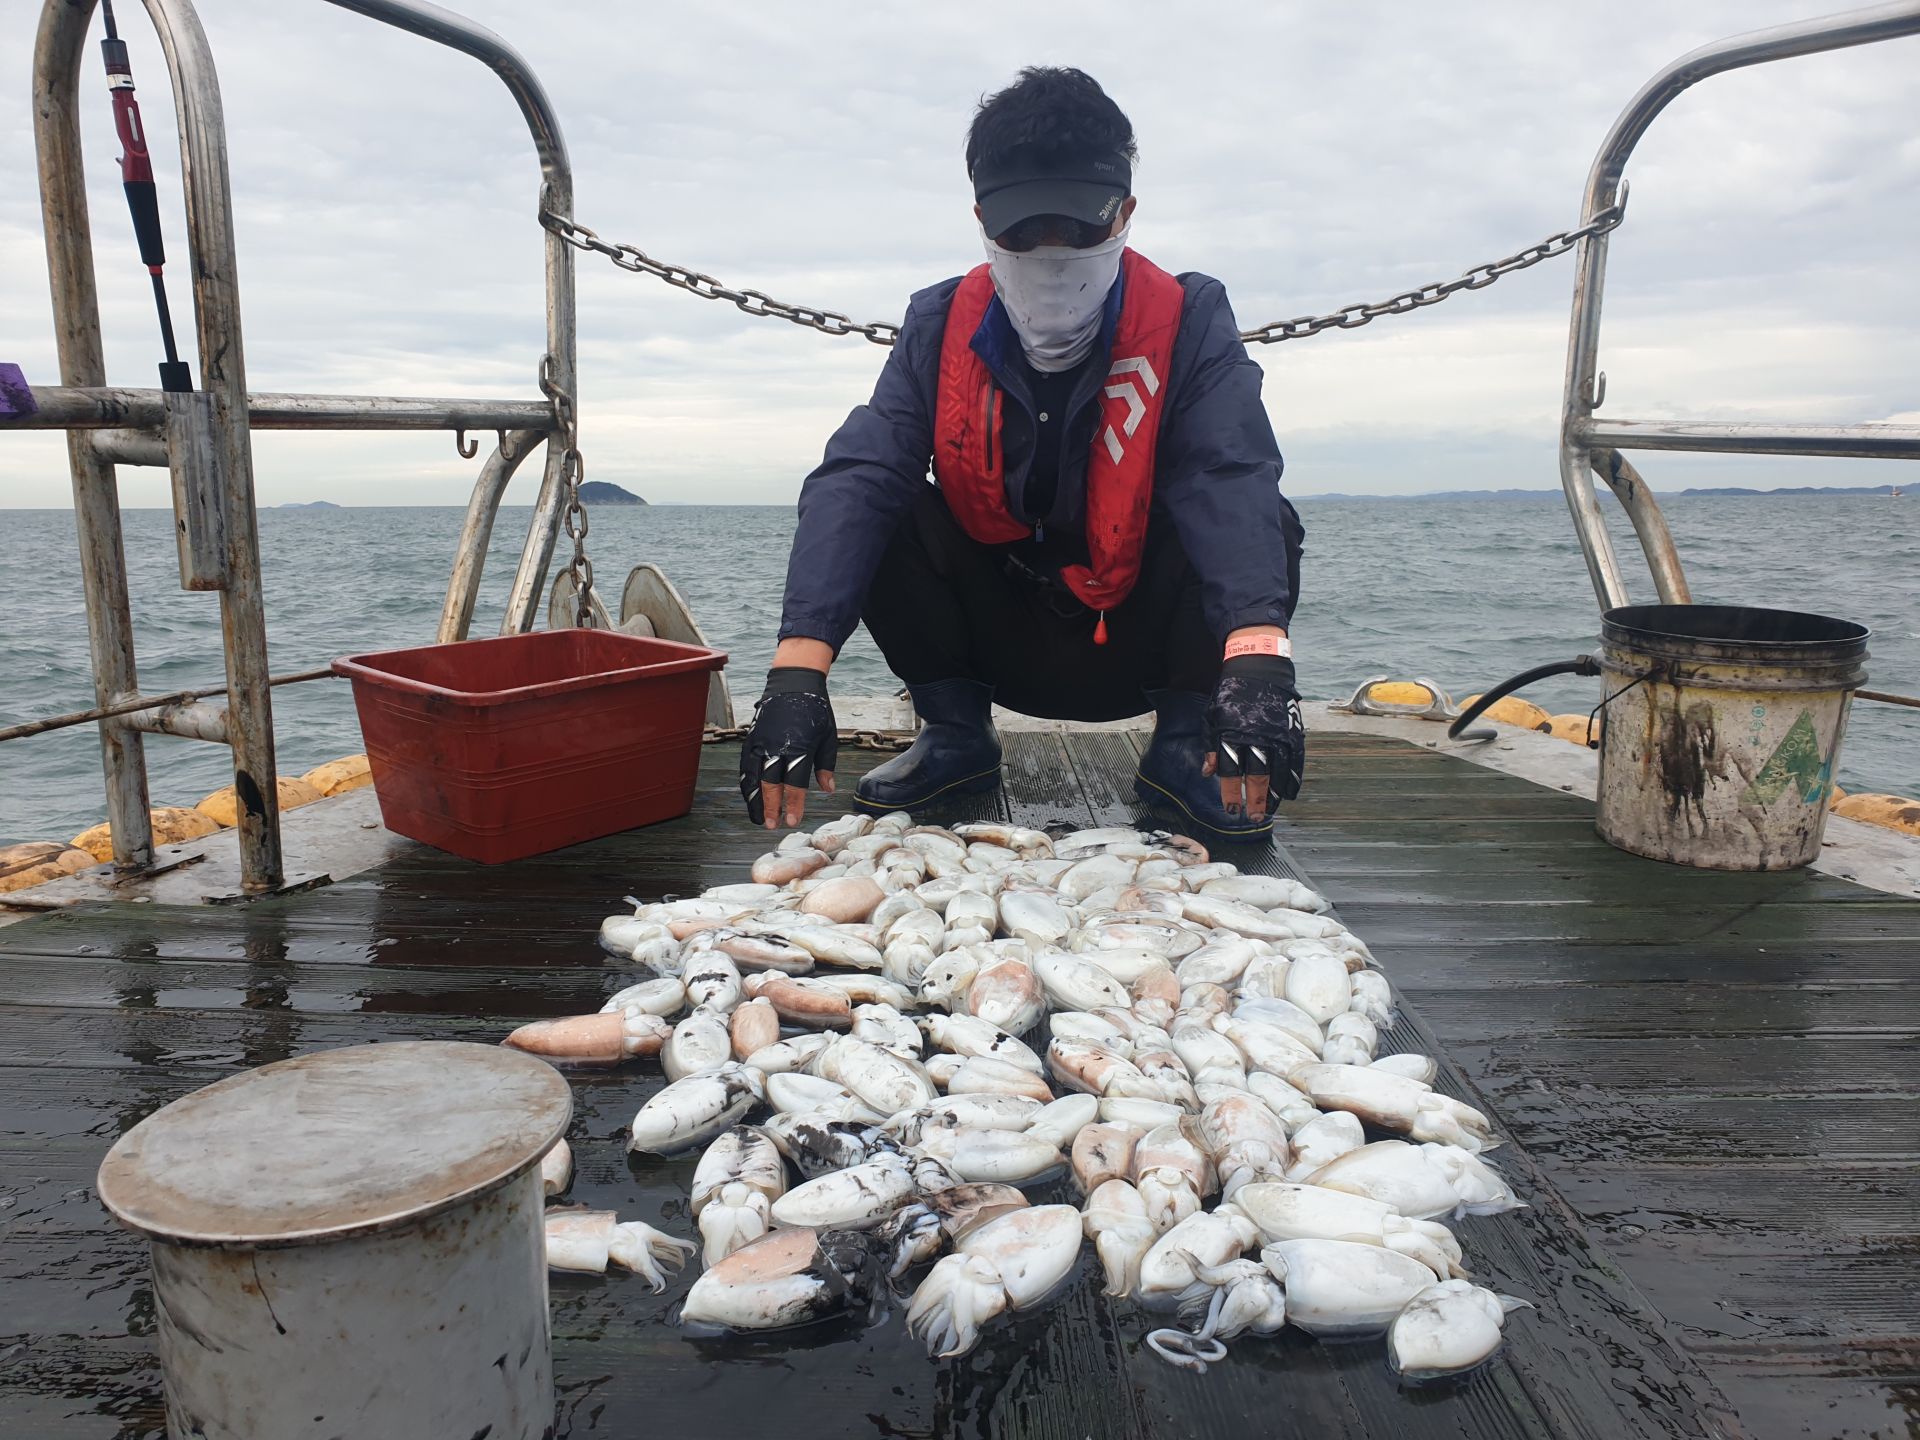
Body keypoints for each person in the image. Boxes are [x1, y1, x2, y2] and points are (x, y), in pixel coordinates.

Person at [739, 66, 1305, 844]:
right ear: (981, 219)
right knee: (880, 498)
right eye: (1020, 231)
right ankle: (956, 738)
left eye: (1078, 227)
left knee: (1266, 515)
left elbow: (1229, 469)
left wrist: (1259, 663)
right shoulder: (937, 321)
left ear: (1125, 214)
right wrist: (797, 673)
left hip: (1140, 647)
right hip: (996, 643)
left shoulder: (1192, 315)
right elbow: (860, 475)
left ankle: (1184, 748)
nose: (1050, 252)